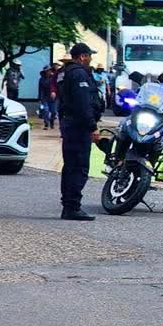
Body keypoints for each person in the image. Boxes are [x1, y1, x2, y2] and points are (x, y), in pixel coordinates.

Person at [56, 43, 104, 220]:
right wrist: (92, 126)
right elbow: (83, 104)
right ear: (83, 56)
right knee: (78, 166)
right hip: (78, 126)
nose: (91, 59)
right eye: (89, 55)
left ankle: (68, 205)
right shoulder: (78, 73)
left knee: (70, 166)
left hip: (69, 124)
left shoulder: (66, 73)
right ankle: (72, 206)